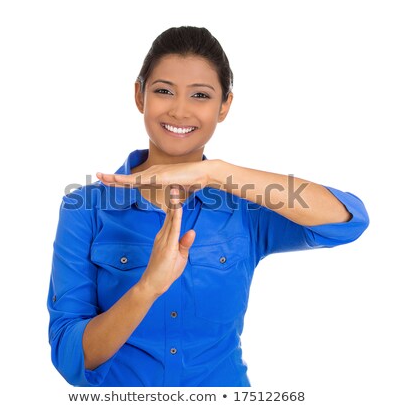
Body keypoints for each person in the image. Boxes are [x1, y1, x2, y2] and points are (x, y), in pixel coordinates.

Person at [47, 26, 369, 387]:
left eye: (200, 95)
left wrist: (216, 172)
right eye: (164, 91)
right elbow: (70, 357)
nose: (180, 110)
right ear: (140, 96)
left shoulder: (244, 204)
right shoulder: (85, 206)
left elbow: (347, 219)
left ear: (224, 105)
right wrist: (146, 288)